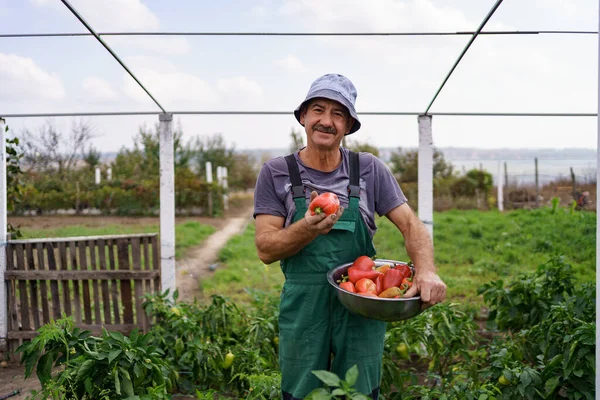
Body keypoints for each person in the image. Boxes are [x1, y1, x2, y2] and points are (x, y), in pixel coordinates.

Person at [253, 73, 446, 399]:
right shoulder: (276, 172)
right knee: (301, 392)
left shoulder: (369, 169)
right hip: (304, 305)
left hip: (362, 301)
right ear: (303, 117)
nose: (326, 121)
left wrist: (425, 269)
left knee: (359, 392)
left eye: (338, 113)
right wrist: (306, 228)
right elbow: (265, 249)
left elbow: (412, 225)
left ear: (348, 126)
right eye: (318, 110)